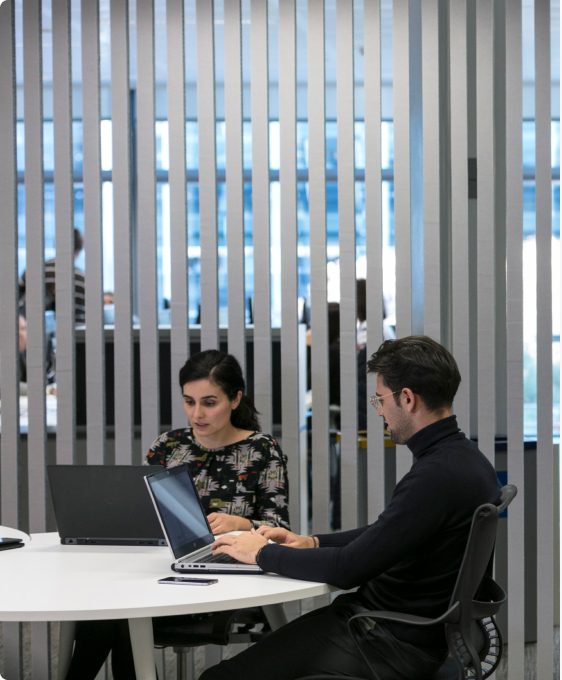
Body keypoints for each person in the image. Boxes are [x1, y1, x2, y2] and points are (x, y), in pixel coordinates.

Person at [200, 336, 501, 680]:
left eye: (380, 398)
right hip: (395, 631)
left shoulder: (436, 477)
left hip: (385, 642)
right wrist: (311, 542)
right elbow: (385, 533)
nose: (377, 410)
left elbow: (348, 569)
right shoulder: (467, 461)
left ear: (407, 399)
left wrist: (260, 554)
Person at [64, 350, 289, 680]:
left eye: (209, 402)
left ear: (236, 398)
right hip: (161, 570)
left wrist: (243, 524)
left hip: (225, 579)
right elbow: (141, 513)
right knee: (111, 607)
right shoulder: (169, 446)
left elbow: (281, 529)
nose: (197, 413)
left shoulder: (261, 450)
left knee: (121, 615)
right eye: (189, 401)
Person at [19, 228, 86, 323]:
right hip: (75, 335)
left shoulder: (34, 270)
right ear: (78, 251)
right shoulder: (82, 278)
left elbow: (17, 298)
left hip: (33, 332)